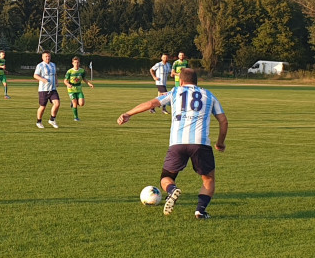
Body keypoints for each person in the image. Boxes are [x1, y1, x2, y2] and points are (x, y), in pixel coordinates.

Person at [117, 67, 227, 219]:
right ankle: (200, 211)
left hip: (177, 143)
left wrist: (128, 113)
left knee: (166, 177)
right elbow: (223, 121)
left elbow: (151, 103)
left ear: (181, 81)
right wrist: (220, 143)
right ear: (196, 81)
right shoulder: (209, 95)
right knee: (208, 178)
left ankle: (172, 190)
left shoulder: (175, 92)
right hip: (201, 144)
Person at [64, 56, 95, 122]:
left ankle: (73, 102)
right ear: (72, 63)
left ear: (79, 63)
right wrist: (68, 84)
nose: (76, 64)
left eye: (77, 62)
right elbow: (65, 81)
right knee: (75, 103)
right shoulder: (70, 71)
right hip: (71, 90)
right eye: (75, 62)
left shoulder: (82, 71)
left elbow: (84, 79)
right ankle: (76, 117)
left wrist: (89, 84)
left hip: (79, 89)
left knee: (81, 104)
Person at [34, 51, 60, 128]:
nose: (47, 58)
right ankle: (39, 121)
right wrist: (42, 79)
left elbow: (55, 74)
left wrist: (56, 81)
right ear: (42, 57)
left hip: (52, 89)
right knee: (42, 107)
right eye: (46, 56)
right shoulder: (40, 65)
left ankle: (52, 119)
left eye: (48, 56)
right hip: (43, 90)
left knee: (57, 103)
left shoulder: (53, 65)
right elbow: (35, 75)